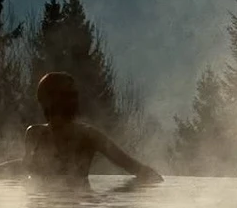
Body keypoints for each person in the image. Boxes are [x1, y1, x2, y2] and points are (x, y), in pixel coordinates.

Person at [25, 71, 162, 185]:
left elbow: (132, 166)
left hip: (72, 203)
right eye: (71, 96)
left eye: (73, 97)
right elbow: (25, 167)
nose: (74, 101)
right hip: (51, 204)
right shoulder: (35, 133)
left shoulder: (87, 136)